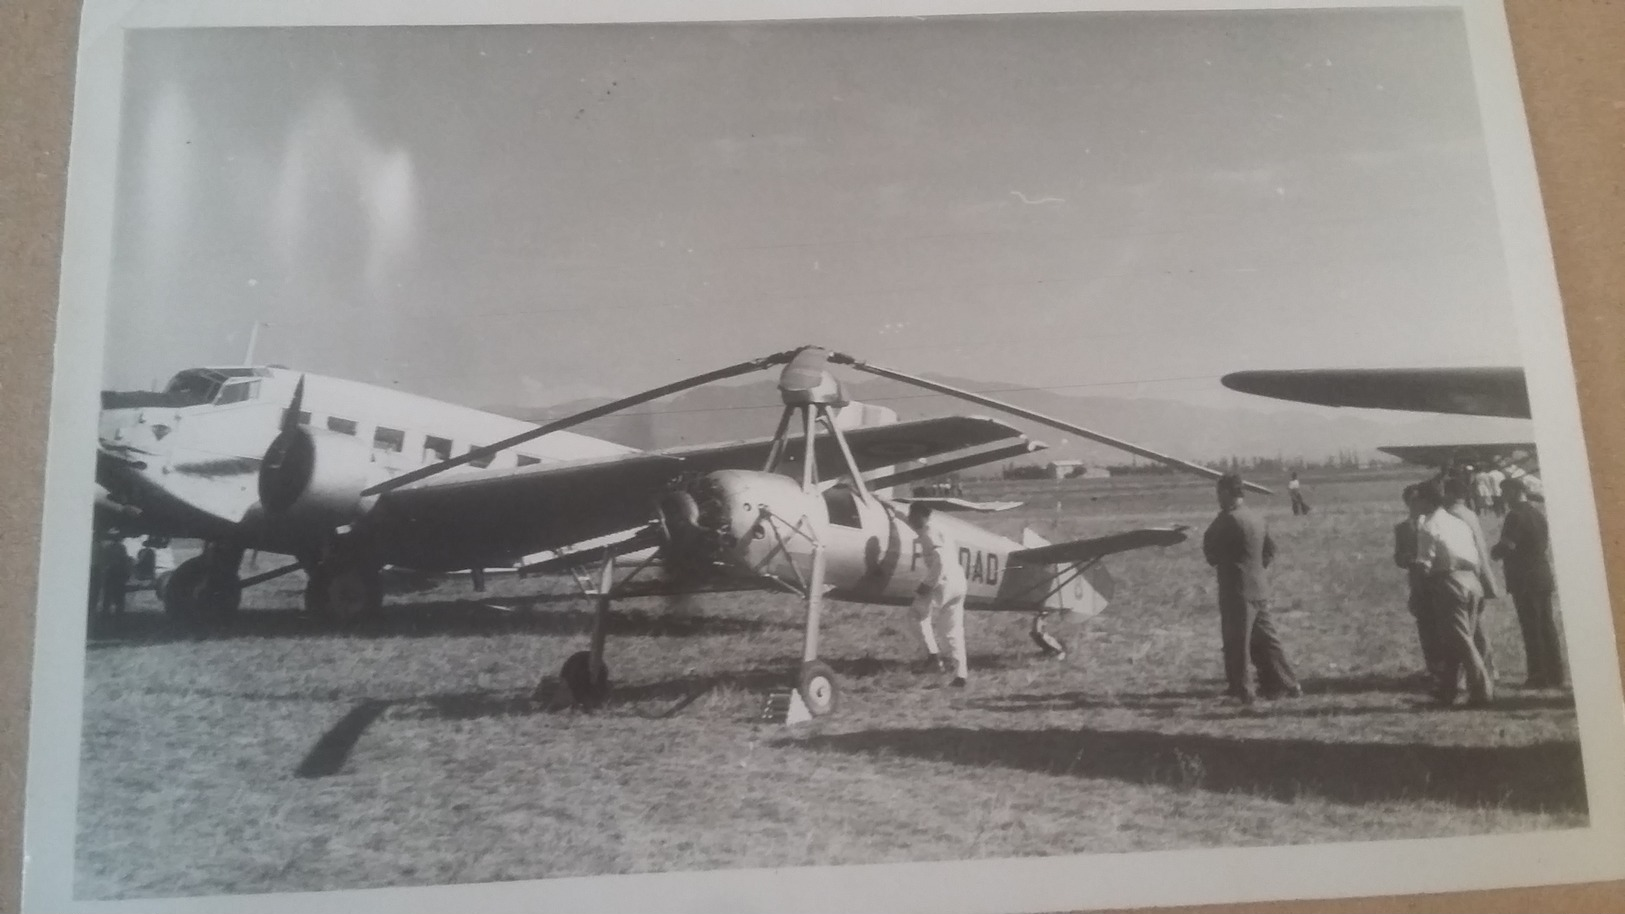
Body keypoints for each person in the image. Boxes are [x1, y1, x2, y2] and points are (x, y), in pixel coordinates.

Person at [1202, 473, 1300, 702]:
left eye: (1219, 493)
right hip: (1259, 588)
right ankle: (1289, 683)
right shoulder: (1256, 518)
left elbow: (1211, 551)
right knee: (1268, 641)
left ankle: (1242, 691)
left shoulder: (1227, 519)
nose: (1218, 498)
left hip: (1236, 590)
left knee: (1237, 643)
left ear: (1226, 493)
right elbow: (1270, 552)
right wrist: (1254, 569)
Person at [1412, 481, 1494, 706]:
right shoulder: (1457, 523)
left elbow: (1423, 564)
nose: (1415, 503)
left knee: (1461, 641)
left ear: (1427, 501)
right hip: (1472, 581)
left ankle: (1482, 692)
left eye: (1418, 499)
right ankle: (1448, 690)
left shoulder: (1429, 526)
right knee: (1456, 640)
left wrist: (1417, 593)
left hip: (1450, 582)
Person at [1492, 477, 1566, 688]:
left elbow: (1508, 546)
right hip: (1542, 575)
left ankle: (1538, 675)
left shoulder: (1515, 516)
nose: (1504, 498)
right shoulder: (1537, 513)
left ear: (1516, 492)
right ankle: (1555, 674)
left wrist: (1494, 552)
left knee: (1531, 627)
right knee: (1546, 626)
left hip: (1524, 578)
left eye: (1506, 493)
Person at [1443, 476, 1500, 683]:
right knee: (1478, 628)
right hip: (1479, 574)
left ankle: (1464, 678)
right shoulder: (1469, 512)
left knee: (1464, 631)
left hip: (1465, 575)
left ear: (1449, 493)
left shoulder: (1451, 515)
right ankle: (1490, 669)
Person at [907, 502, 969, 687]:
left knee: (916, 616)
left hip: (942, 582)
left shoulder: (928, 533)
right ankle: (961, 674)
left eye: (912, 514)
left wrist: (927, 585)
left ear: (921, 515)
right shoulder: (939, 526)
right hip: (958, 582)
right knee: (953, 630)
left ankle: (933, 657)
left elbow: (940, 561)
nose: (910, 518)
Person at [1394, 484, 1447, 688]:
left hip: (1440, 581)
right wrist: (1407, 559)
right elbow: (1398, 557)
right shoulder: (1403, 528)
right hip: (1419, 583)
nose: (1415, 505)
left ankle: (1448, 669)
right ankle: (1434, 669)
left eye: (1418, 500)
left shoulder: (1436, 522)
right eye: (1412, 502)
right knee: (1426, 626)